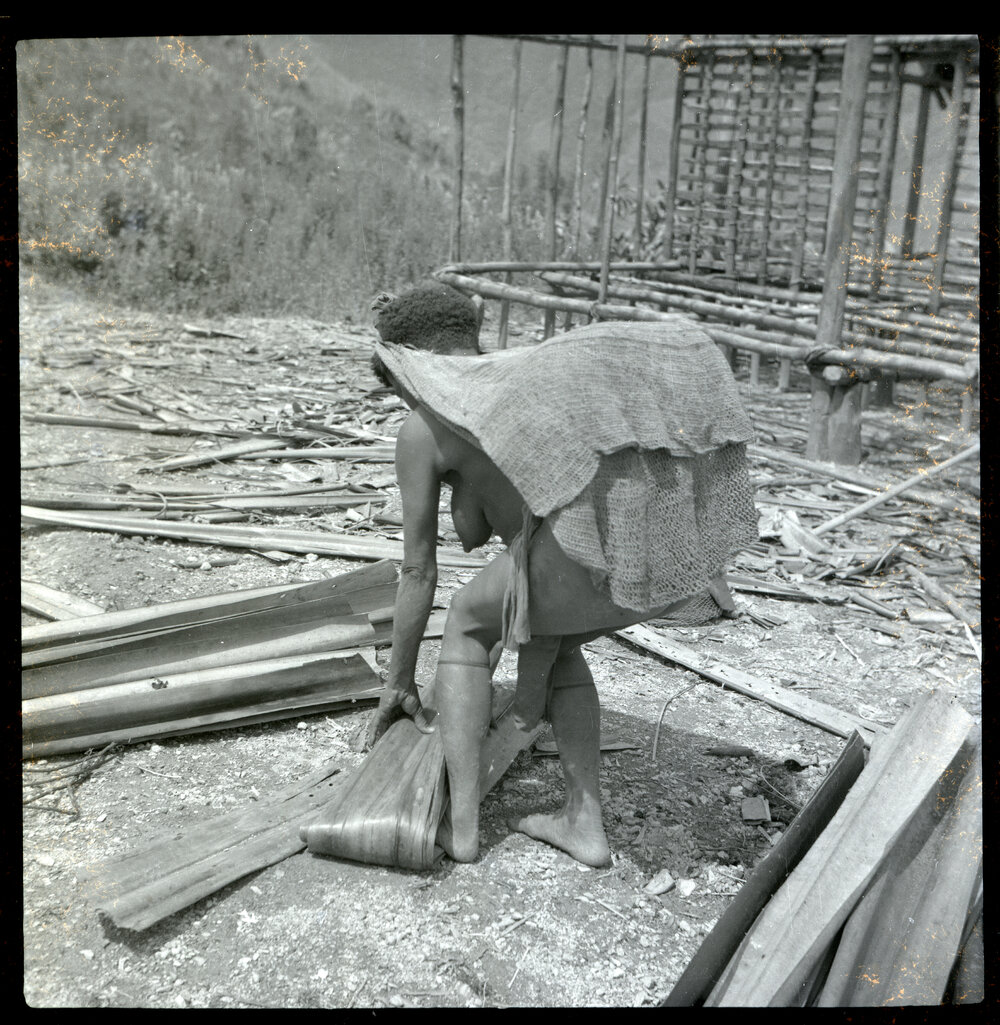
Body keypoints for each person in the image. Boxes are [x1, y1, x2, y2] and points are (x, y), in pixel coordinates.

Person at [362, 282, 757, 866]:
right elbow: (492, 526)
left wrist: (399, 683)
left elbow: (420, 570)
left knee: (467, 624)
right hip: (662, 564)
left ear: (408, 367)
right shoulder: (523, 389)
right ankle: (583, 824)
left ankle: (460, 829)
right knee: (556, 643)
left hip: (581, 559)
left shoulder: (422, 430)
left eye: (397, 387)